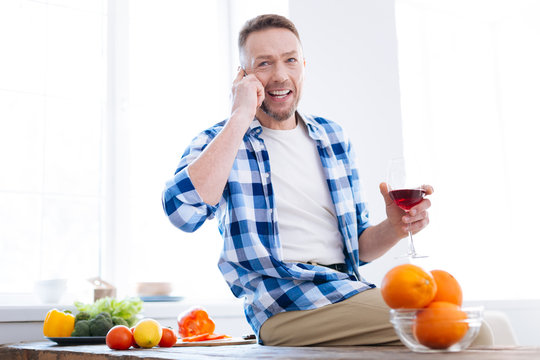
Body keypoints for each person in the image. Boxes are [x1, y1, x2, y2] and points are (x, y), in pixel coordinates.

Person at [162, 14, 433, 346]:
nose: (279, 75)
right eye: (264, 64)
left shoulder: (332, 137)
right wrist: (240, 115)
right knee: (447, 323)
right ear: (242, 76)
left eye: (290, 60)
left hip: (343, 292)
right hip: (284, 305)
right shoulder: (222, 141)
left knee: (473, 324)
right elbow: (182, 213)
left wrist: (394, 226)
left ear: (303, 65)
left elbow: (357, 249)